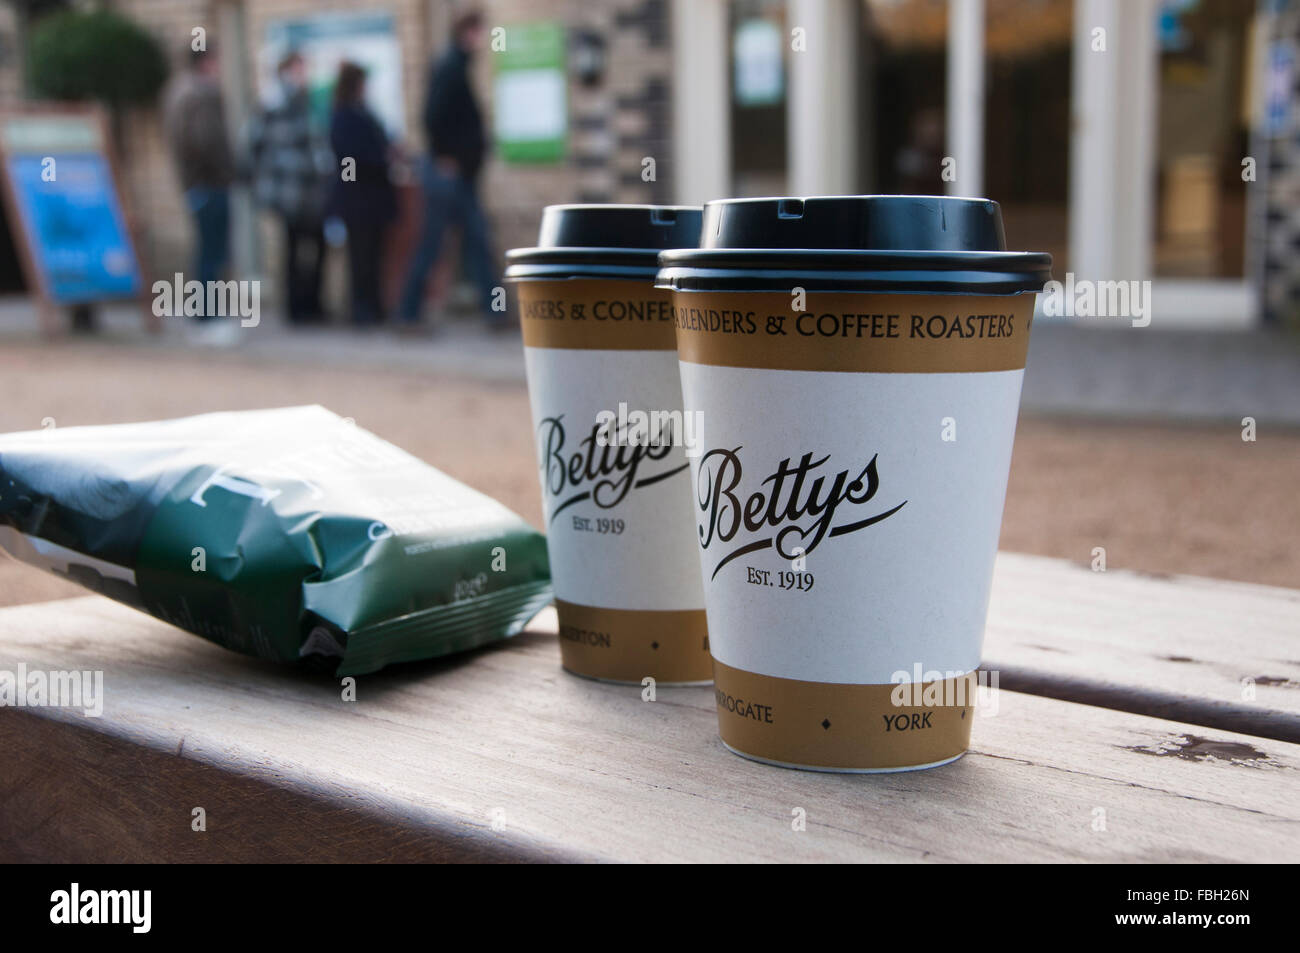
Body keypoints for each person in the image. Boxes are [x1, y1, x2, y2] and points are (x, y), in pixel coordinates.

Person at [397, 9, 505, 330]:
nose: (484, 40)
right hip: (449, 176)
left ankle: (495, 312)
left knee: (476, 242)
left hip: (461, 176)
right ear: (468, 32)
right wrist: (445, 157)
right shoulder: (450, 67)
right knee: (439, 243)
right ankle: (407, 313)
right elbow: (432, 117)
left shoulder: (456, 66)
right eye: (481, 32)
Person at [245, 51, 330, 325]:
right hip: (290, 192)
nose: (303, 75)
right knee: (293, 248)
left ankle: (314, 303)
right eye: (298, 69)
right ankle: (296, 308)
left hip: (313, 190)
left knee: (318, 246)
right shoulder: (275, 104)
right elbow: (255, 146)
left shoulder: (310, 101)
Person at [162, 44, 235, 333]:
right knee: (213, 252)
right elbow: (206, 142)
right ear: (206, 62)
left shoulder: (177, 91)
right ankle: (209, 317)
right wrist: (227, 171)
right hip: (209, 183)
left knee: (205, 249)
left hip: (194, 184)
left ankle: (204, 314)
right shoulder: (201, 94)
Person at [327, 62, 396, 327]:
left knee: (374, 255)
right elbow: (350, 158)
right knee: (360, 257)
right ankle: (361, 309)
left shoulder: (363, 112)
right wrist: (379, 160)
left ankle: (374, 306)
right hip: (358, 198)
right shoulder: (344, 116)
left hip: (372, 197)